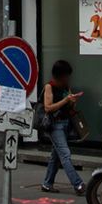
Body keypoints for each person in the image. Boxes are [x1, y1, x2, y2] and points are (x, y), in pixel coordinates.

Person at [39, 60, 85, 194]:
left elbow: (70, 106)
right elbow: (48, 108)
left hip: (65, 123)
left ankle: (47, 184)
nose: (68, 78)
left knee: (56, 155)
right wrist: (65, 100)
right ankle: (78, 185)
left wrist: (72, 102)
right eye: (66, 75)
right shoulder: (50, 86)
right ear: (60, 75)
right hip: (55, 125)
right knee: (65, 154)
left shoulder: (66, 86)